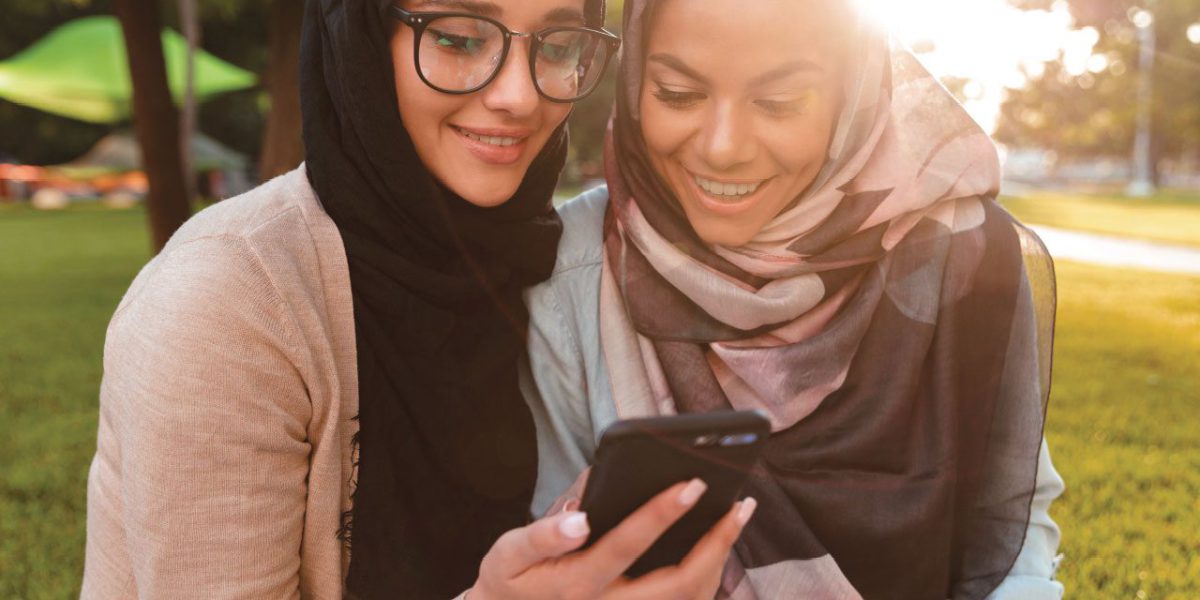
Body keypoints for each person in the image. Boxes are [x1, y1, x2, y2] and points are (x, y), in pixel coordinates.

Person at [82, 1, 750, 598]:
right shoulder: (230, 303)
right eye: (459, 38)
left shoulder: (543, 261)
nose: (520, 95)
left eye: (556, 43)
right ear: (363, 36)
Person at [521, 0, 1066, 598]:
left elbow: (1012, 525)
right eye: (677, 93)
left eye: (779, 103)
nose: (722, 147)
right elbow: (556, 542)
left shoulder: (961, 255)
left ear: (852, 96)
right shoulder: (578, 264)